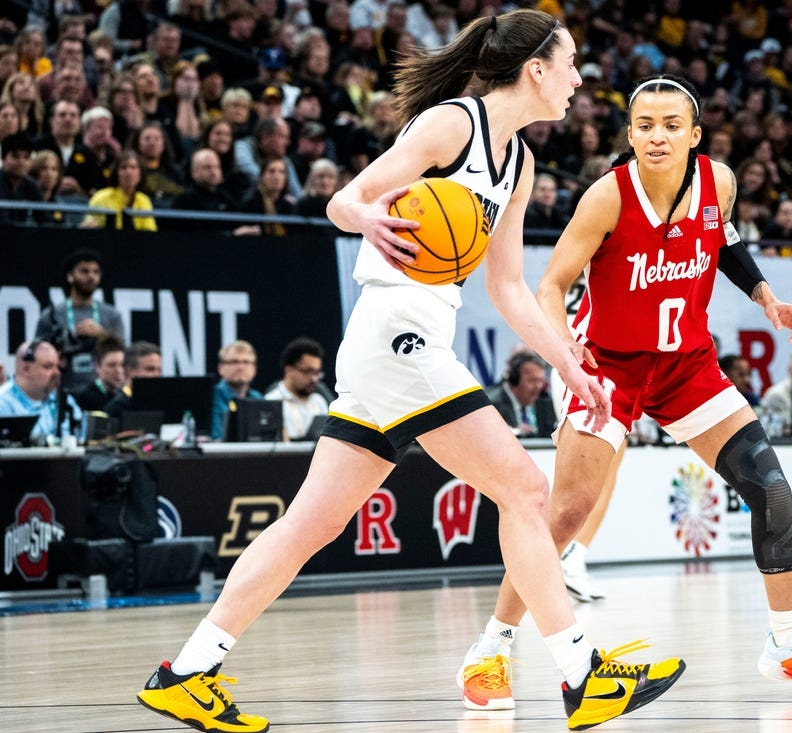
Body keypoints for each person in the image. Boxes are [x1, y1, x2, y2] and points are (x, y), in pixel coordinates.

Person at [136, 12, 684, 733]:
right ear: (536, 69)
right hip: (397, 330)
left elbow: (509, 289)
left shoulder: (516, 163)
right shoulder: (450, 124)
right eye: (572, 62)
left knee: (309, 523)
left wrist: (566, 361)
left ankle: (186, 671)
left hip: (402, 341)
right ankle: (582, 674)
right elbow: (342, 199)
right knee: (524, 489)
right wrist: (367, 220)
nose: (581, 78)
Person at [460, 74, 792, 718]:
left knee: (771, 488)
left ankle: (789, 643)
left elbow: (723, 238)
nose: (657, 135)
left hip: (686, 366)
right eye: (644, 124)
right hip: (609, 368)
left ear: (694, 135)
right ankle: (490, 650)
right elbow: (551, 286)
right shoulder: (606, 198)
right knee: (563, 516)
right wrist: (568, 358)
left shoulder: (719, 182)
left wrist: (764, 296)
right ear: (629, 133)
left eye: (671, 124)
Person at [34, 248, 126, 393]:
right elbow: (38, 354)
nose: (91, 276)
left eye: (96, 272)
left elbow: (122, 352)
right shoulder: (52, 315)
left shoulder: (112, 314)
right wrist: (72, 336)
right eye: (84, 271)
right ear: (70, 276)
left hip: (102, 392)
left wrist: (103, 335)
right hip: (62, 389)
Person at [0, 340, 82, 445]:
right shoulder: (3, 403)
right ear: (26, 369)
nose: (56, 373)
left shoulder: (65, 400)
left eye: (57, 366)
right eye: (48, 367)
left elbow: (82, 436)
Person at [264, 337, 329, 441]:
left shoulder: (319, 401)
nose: (314, 379)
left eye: (317, 373)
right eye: (308, 371)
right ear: (289, 370)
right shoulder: (271, 402)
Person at [485, 349, 557, 438]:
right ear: (514, 379)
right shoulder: (490, 403)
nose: (538, 387)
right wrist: (516, 431)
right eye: (532, 380)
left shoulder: (544, 402)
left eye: (541, 381)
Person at [80, 150, 157, 231]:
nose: (129, 172)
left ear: (140, 173)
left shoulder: (144, 201)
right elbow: (88, 226)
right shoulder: (101, 197)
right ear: (116, 173)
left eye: (133, 167)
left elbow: (150, 233)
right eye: (124, 168)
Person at [210, 340, 264, 441]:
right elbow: (215, 438)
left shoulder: (258, 398)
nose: (241, 367)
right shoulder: (210, 397)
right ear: (221, 368)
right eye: (234, 362)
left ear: (254, 369)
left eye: (246, 362)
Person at [103, 340, 163, 418]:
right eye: (150, 369)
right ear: (130, 371)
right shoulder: (116, 408)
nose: (156, 375)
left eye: (159, 370)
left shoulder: (159, 403)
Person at [73, 334, 126, 412]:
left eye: (122, 365)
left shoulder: (127, 397)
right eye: (111, 365)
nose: (119, 370)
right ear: (97, 367)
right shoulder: (84, 399)